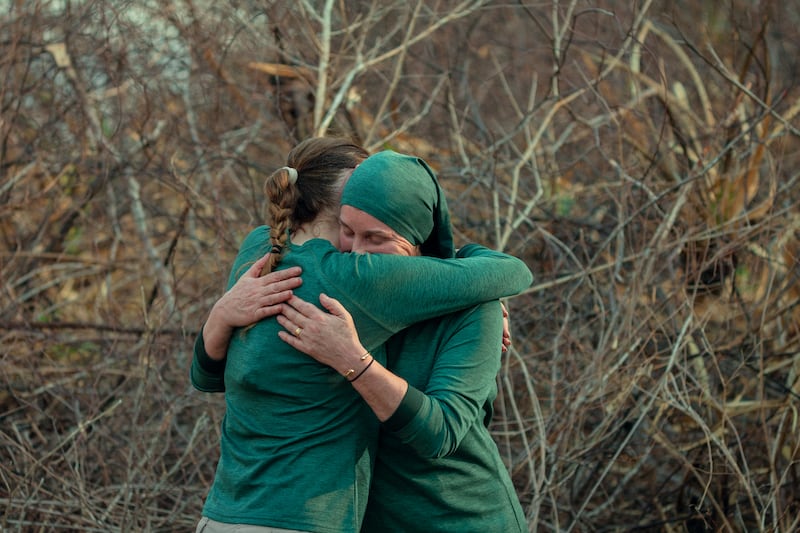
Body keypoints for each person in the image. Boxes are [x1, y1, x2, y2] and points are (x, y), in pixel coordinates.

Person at [191, 138, 533, 533]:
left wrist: (354, 362)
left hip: (457, 518)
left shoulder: (263, 249)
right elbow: (512, 271)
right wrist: (220, 315)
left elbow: (207, 377)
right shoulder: (353, 281)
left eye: (375, 236)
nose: (357, 252)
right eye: (349, 229)